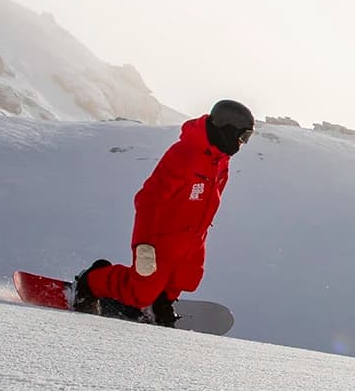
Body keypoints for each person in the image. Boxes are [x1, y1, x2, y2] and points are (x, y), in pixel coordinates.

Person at [73, 99, 253, 325]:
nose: (241, 143)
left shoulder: (221, 164)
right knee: (141, 290)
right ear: (227, 129)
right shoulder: (184, 154)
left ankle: (159, 302)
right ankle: (92, 281)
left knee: (185, 278)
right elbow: (148, 199)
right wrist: (144, 245)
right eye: (242, 136)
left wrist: (197, 243)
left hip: (190, 241)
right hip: (161, 238)